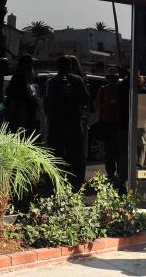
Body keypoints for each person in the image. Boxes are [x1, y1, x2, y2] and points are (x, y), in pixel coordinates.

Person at [45, 55, 90, 191]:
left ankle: (54, 180)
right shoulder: (77, 80)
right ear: (70, 66)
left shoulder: (51, 82)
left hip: (55, 124)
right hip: (73, 123)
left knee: (55, 153)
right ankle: (75, 181)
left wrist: (51, 117)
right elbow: (86, 100)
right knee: (75, 154)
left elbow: (46, 103)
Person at [95, 66, 123, 182]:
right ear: (107, 79)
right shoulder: (102, 90)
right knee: (109, 151)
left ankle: (120, 173)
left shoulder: (121, 90)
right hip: (107, 123)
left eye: (114, 78)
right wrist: (107, 106)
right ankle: (111, 173)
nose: (113, 80)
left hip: (119, 124)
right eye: (111, 78)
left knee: (119, 150)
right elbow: (97, 105)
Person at [4, 54, 38, 134]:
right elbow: (18, 99)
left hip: (24, 116)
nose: (32, 66)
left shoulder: (23, 79)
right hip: (21, 116)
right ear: (25, 65)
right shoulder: (18, 78)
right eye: (30, 64)